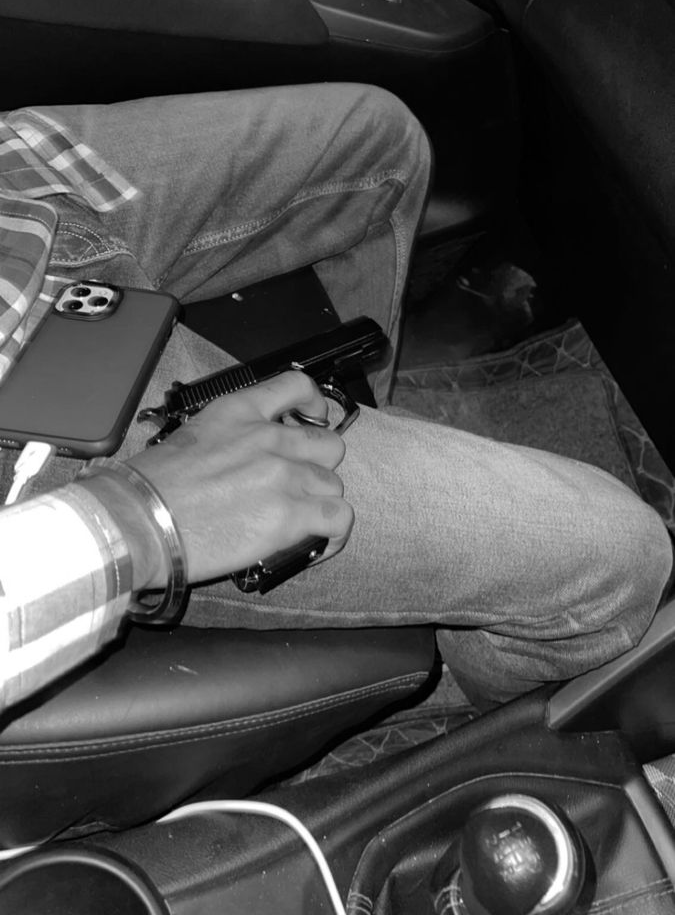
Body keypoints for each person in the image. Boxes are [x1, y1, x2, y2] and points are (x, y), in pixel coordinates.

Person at [0, 83, 671, 717]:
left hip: (19, 214)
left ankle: (377, 413)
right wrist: (134, 520)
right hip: (37, 454)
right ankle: (456, 705)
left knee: (384, 143)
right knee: (621, 558)